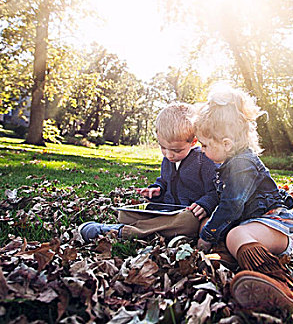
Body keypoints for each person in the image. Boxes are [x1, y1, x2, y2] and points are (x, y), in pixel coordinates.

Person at [193, 84, 293, 312]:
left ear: (226, 144)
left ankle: (281, 285)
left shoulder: (242, 165)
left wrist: (207, 236)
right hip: (255, 224)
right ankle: (232, 259)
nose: (202, 151)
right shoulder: (229, 162)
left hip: (273, 226)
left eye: (205, 145)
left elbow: (231, 206)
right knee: (216, 225)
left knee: (235, 233)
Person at [79, 103, 218, 242]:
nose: (169, 155)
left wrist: (205, 204)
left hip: (187, 214)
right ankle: (149, 228)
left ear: (193, 142)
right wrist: (156, 190)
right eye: (163, 147)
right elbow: (164, 181)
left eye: (176, 150)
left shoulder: (204, 160)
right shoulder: (168, 160)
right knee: (124, 214)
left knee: (188, 223)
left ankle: (121, 231)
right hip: (164, 210)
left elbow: (216, 192)